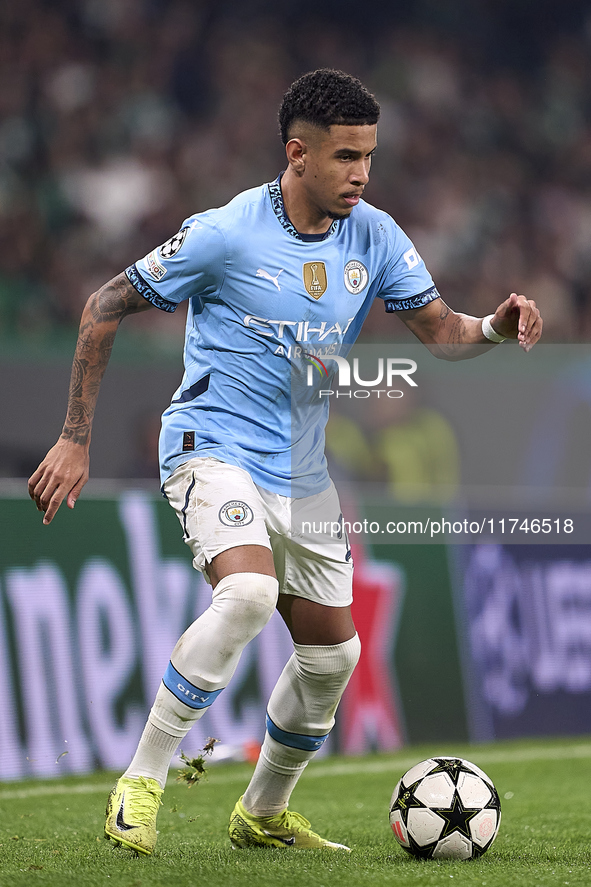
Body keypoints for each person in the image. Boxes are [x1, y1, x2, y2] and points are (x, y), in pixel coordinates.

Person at [28, 68, 542, 855]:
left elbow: (441, 332)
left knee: (335, 655)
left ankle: (261, 810)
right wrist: (74, 436)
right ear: (296, 153)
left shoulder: (374, 233)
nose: (361, 174)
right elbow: (102, 308)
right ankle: (141, 779)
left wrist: (497, 326)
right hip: (210, 445)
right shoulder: (225, 233)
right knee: (246, 592)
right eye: (344, 157)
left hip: (301, 471)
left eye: (368, 156)